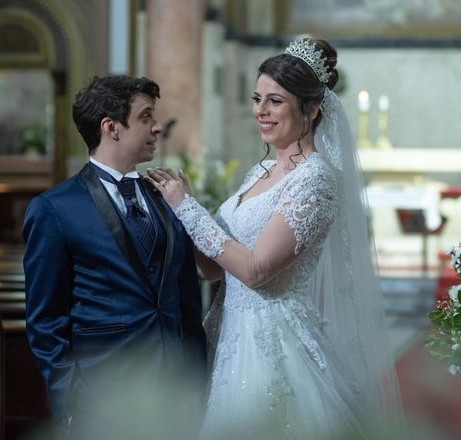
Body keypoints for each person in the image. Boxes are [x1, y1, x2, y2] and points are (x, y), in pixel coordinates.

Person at [148, 36, 403, 439]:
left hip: (273, 342)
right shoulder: (260, 173)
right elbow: (215, 270)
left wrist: (189, 210)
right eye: (257, 98)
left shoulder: (316, 179)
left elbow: (256, 270)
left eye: (275, 101)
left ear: (313, 108)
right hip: (226, 330)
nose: (260, 111)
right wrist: (176, 219)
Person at [23, 75, 206, 438]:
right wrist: (70, 402)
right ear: (111, 128)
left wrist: (197, 382)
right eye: (145, 117)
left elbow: (187, 299)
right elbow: (45, 321)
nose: (156, 127)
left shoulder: (166, 196)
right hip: (102, 394)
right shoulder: (54, 209)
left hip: (174, 393)